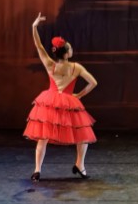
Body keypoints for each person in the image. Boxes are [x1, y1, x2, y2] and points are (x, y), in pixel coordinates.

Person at [24, 13, 98, 181]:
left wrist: (34, 26)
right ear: (66, 53)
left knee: (43, 137)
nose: (71, 50)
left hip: (49, 101)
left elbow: (38, 46)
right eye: (70, 48)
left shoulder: (50, 64)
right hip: (68, 101)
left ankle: (37, 170)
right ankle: (79, 165)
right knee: (82, 134)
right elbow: (93, 83)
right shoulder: (76, 68)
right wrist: (79, 95)